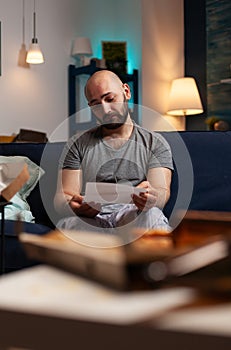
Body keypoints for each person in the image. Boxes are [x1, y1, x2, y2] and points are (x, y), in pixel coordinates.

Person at [54, 70, 173, 234]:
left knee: (153, 215)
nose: (105, 109)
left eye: (110, 99)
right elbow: (63, 196)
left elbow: (161, 192)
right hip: (92, 220)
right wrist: (73, 206)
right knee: (67, 224)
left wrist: (152, 198)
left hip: (133, 217)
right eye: (96, 104)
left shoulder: (155, 143)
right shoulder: (77, 144)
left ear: (126, 92)